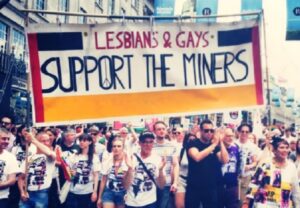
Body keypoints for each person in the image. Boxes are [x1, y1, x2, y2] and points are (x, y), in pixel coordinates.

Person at [242, 137, 300, 208]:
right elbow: (254, 184)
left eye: (287, 147)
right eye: (281, 147)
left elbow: (295, 191)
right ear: (274, 150)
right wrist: (246, 203)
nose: (285, 150)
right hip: (263, 204)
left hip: (283, 205)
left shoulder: (292, 167)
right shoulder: (265, 164)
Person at [186, 119, 229, 208]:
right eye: (206, 130)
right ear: (201, 131)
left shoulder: (214, 146)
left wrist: (220, 142)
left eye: (211, 131)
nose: (209, 133)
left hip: (210, 187)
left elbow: (224, 160)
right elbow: (197, 157)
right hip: (194, 187)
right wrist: (213, 145)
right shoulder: (193, 143)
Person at [124, 131, 166, 208]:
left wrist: (160, 170)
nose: (148, 145)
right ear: (139, 143)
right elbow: (125, 186)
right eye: (145, 142)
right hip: (131, 203)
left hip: (150, 203)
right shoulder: (131, 158)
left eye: (151, 142)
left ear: (153, 143)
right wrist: (130, 169)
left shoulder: (158, 159)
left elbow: (161, 185)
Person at [18, 132, 57, 208]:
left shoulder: (51, 155)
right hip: (27, 193)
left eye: (48, 140)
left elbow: (49, 154)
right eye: (43, 141)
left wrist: (33, 140)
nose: (46, 143)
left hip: (41, 193)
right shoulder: (29, 157)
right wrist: (22, 192)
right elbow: (21, 178)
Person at [65, 133, 100, 208]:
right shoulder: (74, 155)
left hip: (87, 191)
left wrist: (95, 192)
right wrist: (71, 173)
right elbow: (67, 169)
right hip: (73, 190)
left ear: (90, 142)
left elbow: (96, 176)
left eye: (84, 140)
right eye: (80, 140)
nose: (81, 142)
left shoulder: (94, 157)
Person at [98, 136, 130, 208]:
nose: (116, 148)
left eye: (119, 146)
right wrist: (99, 197)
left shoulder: (127, 160)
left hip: (123, 192)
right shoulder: (107, 160)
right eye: (114, 146)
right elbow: (103, 179)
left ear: (123, 147)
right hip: (109, 191)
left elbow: (129, 179)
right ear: (112, 148)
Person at [152, 121, 179, 208]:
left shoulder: (172, 145)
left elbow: (175, 165)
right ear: (154, 131)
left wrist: (175, 182)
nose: (161, 131)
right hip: (151, 183)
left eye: (163, 129)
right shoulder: (150, 145)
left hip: (166, 184)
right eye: (159, 129)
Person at [236, 123, 259, 205]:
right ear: (238, 132)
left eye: (247, 132)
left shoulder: (252, 146)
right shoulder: (234, 144)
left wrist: (248, 166)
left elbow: (255, 162)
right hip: (233, 177)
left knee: (242, 201)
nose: (244, 133)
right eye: (242, 131)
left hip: (245, 177)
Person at [220, 127, 241, 208]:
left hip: (232, 185)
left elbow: (238, 164)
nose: (230, 138)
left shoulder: (236, 147)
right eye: (228, 136)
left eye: (232, 136)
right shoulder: (216, 147)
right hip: (218, 185)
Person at [175, 133, 196, 208]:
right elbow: (176, 165)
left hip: (194, 182)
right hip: (182, 180)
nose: (191, 141)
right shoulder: (182, 151)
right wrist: (174, 182)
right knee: (179, 205)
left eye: (194, 140)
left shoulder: (198, 151)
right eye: (189, 140)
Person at [0, 127, 19, 207]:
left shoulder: (10, 157)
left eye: (8, 139)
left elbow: (12, 180)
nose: (7, 142)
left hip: (2, 199)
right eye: (4, 139)